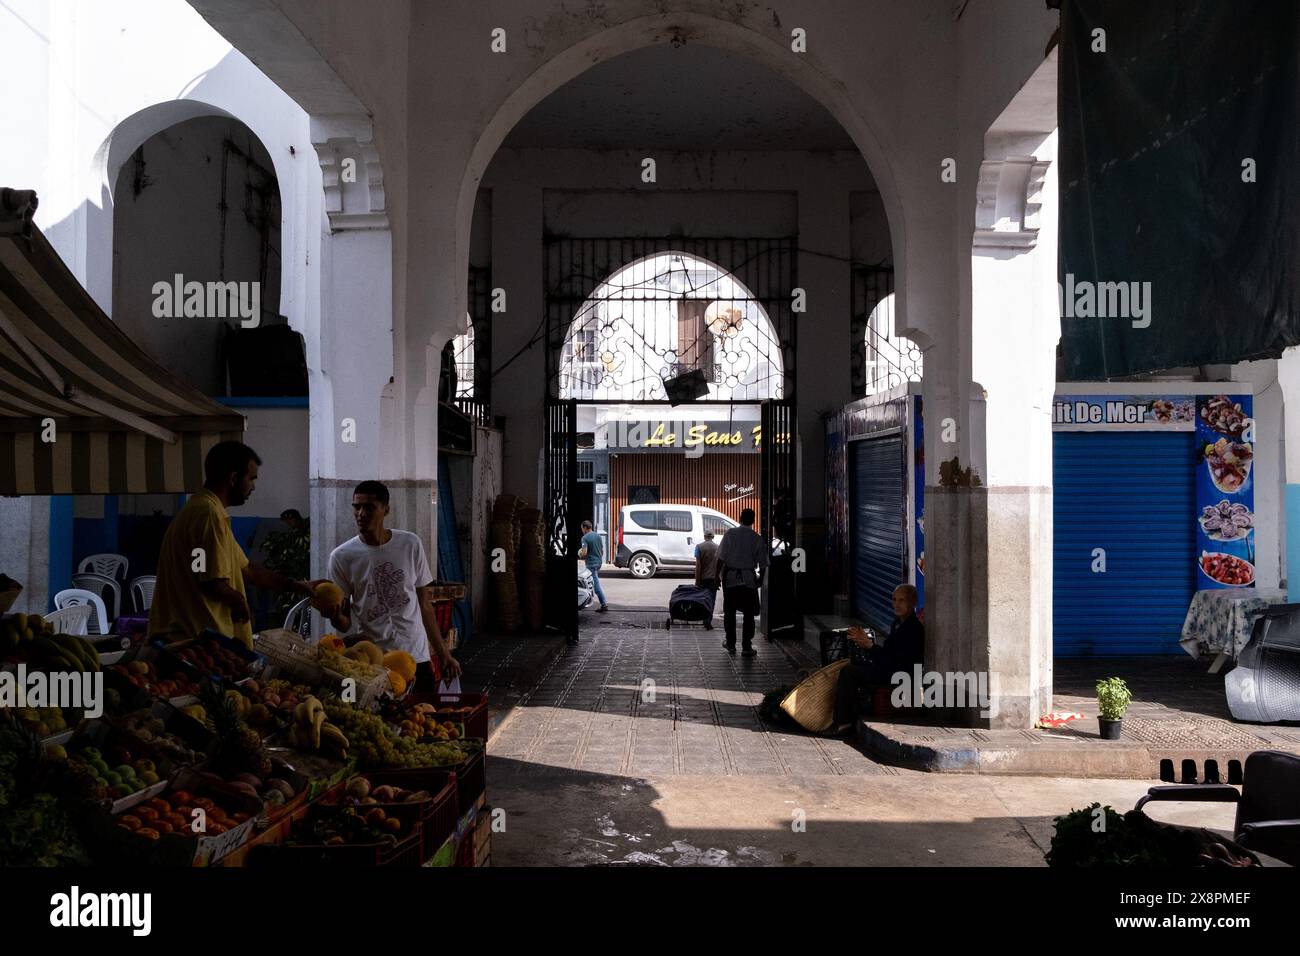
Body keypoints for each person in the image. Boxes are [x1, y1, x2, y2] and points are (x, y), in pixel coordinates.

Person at [149, 441, 322, 649]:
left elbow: (247, 569)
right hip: (192, 644)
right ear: (233, 478)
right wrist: (240, 602)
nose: (253, 486)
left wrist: (295, 585)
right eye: (251, 478)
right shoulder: (207, 514)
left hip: (204, 641)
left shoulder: (209, 510)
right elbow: (209, 580)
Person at [323, 480, 462, 689]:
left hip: (415, 656)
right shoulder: (342, 557)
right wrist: (334, 616)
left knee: (423, 717)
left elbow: (425, 605)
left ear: (386, 509)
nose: (361, 513)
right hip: (375, 660)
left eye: (369, 507)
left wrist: (443, 654)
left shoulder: (410, 544)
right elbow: (344, 623)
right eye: (357, 507)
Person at [829, 584, 924, 734]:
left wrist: (870, 646)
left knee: (849, 672)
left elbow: (895, 662)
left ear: (912, 603)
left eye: (902, 600)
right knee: (850, 664)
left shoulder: (913, 629)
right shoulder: (898, 623)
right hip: (890, 669)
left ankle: (846, 722)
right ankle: (847, 715)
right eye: (894, 600)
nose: (896, 604)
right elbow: (888, 654)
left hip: (900, 675)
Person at [714, 508, 768, 657]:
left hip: (730, 579)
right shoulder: (756, 538)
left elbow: (721, 558)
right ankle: (746, 647)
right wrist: (760, 581)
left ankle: (730, 644)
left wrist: (716, 577)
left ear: (740, 518)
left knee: (729, 613)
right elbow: (763, 565)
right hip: (748, 581)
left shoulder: (730, 534)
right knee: (749, 615)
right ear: (753, 520)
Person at [578, 520, 608, 616]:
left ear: (585, 528)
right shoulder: (598, 536)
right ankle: (590, 599)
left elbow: (584, 552)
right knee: (591, 581)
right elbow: (602, 550)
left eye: (582, 528)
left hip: (591, 563)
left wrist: (579, 553)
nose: (582, 530)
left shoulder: (585, 538)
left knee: (595, 584)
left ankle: (603, 603)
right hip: (598, 562)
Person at [694, 529, 720, 595]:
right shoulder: (718, 547)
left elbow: (698, 566)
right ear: (713, 537)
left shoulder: (698, 547)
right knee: (712, 600)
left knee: (703, 600)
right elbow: (720, 565)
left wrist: (697, 581)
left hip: (703, 579)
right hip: (714, 579)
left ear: (704, 536)